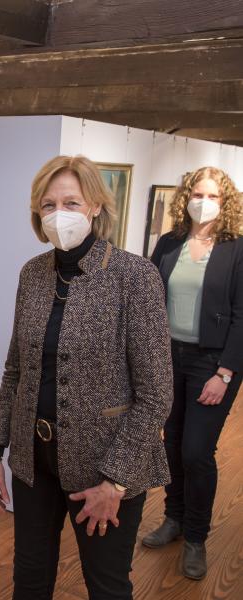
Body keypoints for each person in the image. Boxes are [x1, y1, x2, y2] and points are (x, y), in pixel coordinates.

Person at [0, 155, 172, 599]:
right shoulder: (33, 274)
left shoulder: (134, 277)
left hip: (103, 467)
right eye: (47, 205)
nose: (57, 214)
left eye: (70, 202)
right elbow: (16, 371)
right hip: (34, 460)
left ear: (95, 208)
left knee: (106, 586)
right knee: (29, 580)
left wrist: (116, 482)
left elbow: (156, 396)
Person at [142, 166, 243, 579]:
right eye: (198, 194)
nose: (205, 203)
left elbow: (242, 316)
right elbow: (147, 296)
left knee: (196, 452)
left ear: (226, 202)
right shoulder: (169, 243)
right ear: (186, 197)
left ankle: (197, 537)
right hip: (167, 357)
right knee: (170, 445)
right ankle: (174, 519)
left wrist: (225, 373)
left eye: (214, 196)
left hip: (212, 364)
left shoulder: (237, 247)